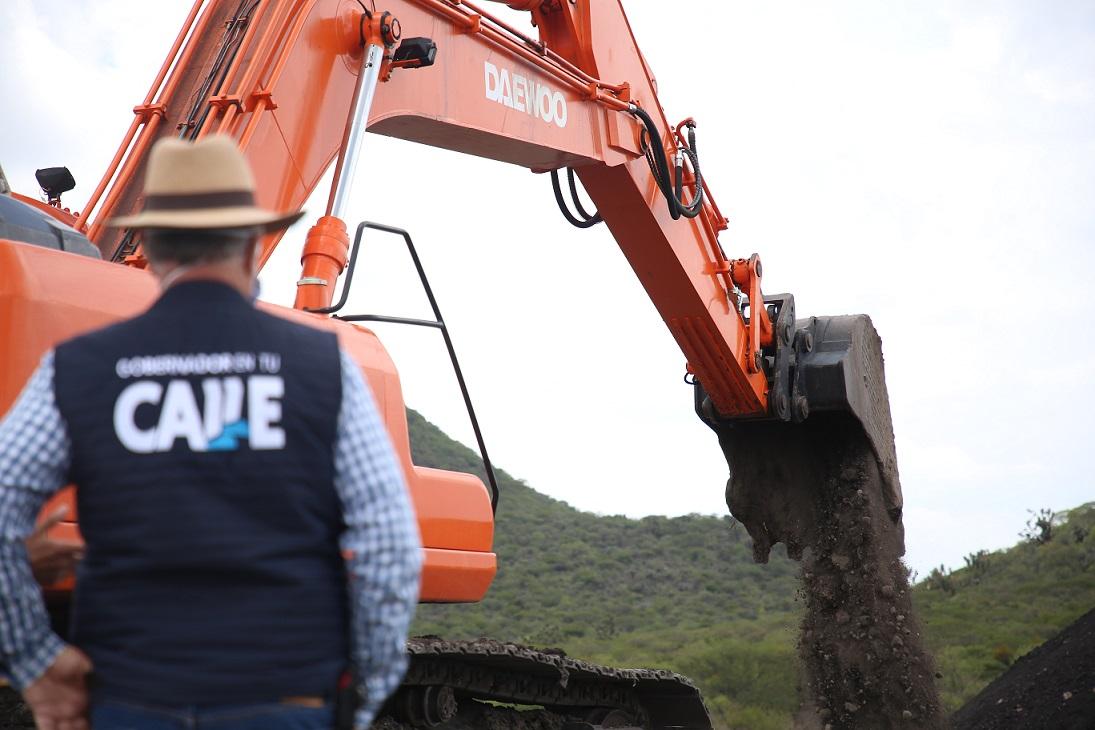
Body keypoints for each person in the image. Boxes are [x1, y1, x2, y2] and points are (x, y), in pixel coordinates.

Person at [0, 135, 422, 730]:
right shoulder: (326, 368)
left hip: (130, 700)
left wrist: (36, 663)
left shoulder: (76, 369)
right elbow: (390, 547)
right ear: (252, 243)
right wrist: (361, 695)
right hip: (283, 699)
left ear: (149, 246)